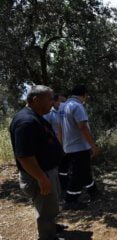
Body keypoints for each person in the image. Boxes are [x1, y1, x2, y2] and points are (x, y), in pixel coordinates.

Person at [9, 85, 66, 240]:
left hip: (47, 172)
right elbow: (25, 156)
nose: (52, 102)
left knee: (50, 205)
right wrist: (42, 178)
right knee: (45, 210)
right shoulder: (25, 122)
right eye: (50, 99)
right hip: (39, 175)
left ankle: (52, 227)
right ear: (36, 100)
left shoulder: (35, 116)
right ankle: (47, 237)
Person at [59, 85, 100, 210]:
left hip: (69, 146)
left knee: (84, 170)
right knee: (77, 174)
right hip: (79, 147)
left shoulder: (64, 106)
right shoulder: (77, 106)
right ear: (83, 95)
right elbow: (83, 127)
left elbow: (60, 128)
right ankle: (70, 200)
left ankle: (93, 192)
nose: (85, 99)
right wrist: (93, 146)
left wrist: (62, 145)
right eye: (85, 96)